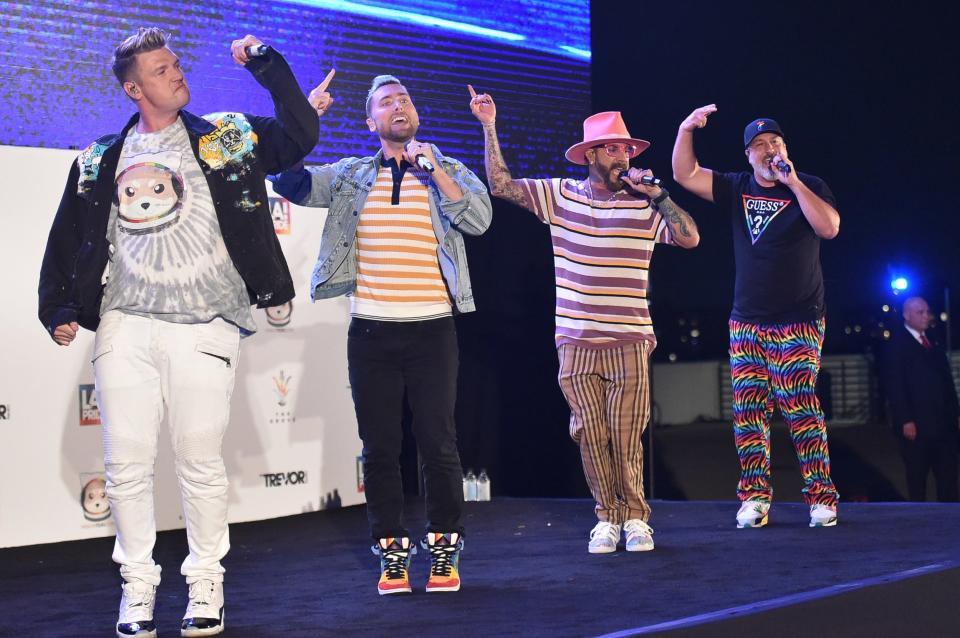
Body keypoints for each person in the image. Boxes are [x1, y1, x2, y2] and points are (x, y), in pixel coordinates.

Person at [37, 28, 318, 637]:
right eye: (162, 70)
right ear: (135, 88)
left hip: (207, 321)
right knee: (126, 465)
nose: (177, 74)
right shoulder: (98, 159)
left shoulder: (224, 136)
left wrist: (266, 64)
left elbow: (300, 135)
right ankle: (137, 589)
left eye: (176, 64)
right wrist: (56, 304)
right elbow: (67, 236)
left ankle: (205, 583)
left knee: (199, 459)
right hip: (125, 322)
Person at [270, 75, 491, 595]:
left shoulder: (446, 169)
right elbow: (288, 182)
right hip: (371, 331)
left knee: (438, 445)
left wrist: (433, 168)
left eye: (405, 99)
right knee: (380, 448)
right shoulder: (350, 175)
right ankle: (392, 553)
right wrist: (304, 121)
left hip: (433, 330)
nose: (398, 106)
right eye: (385, 102)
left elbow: (479, 221)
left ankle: (444, 549)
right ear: (371, 122)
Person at [469, 87, 699, 553]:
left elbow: (690, 237)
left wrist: (658, 195)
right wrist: (490, 126)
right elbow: (501, 186)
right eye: (613, 148)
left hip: (630, 339)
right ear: (591, 154)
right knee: (590, 434)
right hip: (575, 340)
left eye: (627, 149)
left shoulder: (643, 205)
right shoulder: (562, 195)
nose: (623, 155)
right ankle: (607, 517)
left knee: (625, 433)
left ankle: (636, 517)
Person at [672, 105, 841, 528]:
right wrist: (685, 129)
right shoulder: (736, 187)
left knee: (799, 403)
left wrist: (795, 182)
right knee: (749, 411)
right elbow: (684, 174)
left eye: (775, 142)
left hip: (799, 318)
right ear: (747, 155)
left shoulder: (810, 185)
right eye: (760, 145)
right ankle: (754, 498)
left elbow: (830, 228)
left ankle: (821, 498)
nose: (769, 149)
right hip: (747, 321)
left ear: (785, 148)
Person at [885, 296, 960, 501]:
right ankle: (918, 520)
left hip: (943, 424)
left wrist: (955, 413)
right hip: (917, 426)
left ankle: (948, 518)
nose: (926, 316)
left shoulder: (933, 342)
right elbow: (895, 385)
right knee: (917, 478)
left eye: (927, 311)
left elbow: (947, 382)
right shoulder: (897, 346)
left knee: (948, 477)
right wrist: (905, 419)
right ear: (907, 315)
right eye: (920, 312)